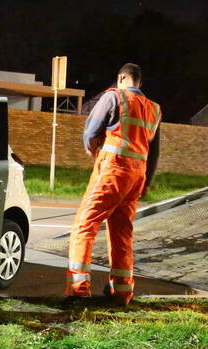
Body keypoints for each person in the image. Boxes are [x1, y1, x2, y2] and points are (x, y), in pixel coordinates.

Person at [65, 63, 161, 305]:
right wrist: (147, 182)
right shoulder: (154, 109)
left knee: (85, 225)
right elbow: (154, 151)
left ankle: (79, 288)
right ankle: (121, 292)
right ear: (139, 82)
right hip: (136, 176)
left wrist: (93, 151)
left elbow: (90, 131)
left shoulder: (114, 97)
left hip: (112, 170)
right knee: (121, 232)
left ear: (121, 78)